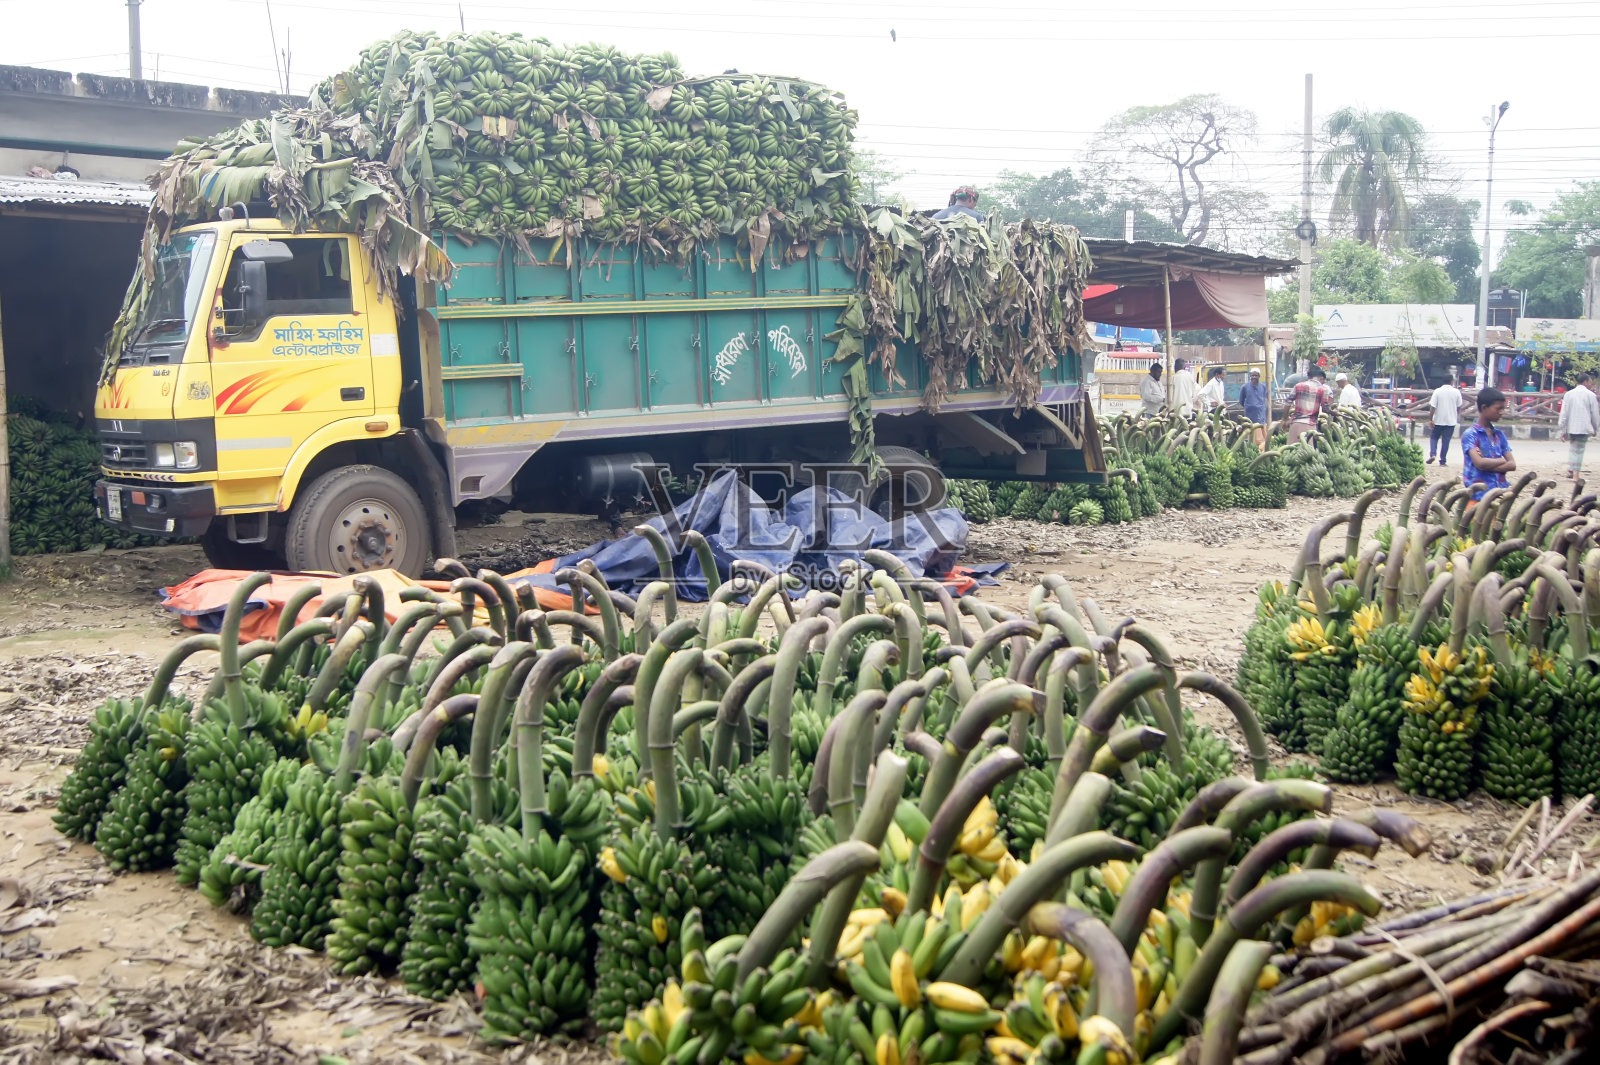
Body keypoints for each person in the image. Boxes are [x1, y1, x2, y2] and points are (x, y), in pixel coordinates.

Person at [1461, 386, 1515, 500]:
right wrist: (1501, 460)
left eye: (1503, 408)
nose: (1502, 412)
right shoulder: (1471, 434)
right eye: (1498, 408)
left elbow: (1512, 465)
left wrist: (1487, 464)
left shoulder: (1499, 435)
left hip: (1498, 494)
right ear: (1484, 407)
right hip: (1477, 496)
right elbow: (1479, 463)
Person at [1557, 370, 1600, 479]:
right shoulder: (1591, 395)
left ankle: (1571, 470)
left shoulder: (1568, 394)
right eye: (1590, 382)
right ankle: (1576, 473)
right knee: (1579, 450)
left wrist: (1562, 429)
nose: (1591, 384)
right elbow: (1595, 414)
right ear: (1585, 382)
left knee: (1573, 447)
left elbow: (1564, 413)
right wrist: (1596, 428)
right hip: (1584, 427)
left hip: (1571, 426)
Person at [1281, 366, 1331, 443]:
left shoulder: (1298, 386)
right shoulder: (1323, 389)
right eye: (1323, 381)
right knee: (1308, 452)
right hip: (1310, 426)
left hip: (1295, 423)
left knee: (1291, 451)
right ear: (1321, 378)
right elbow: (1325, 409)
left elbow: (1288, 402)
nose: (1323, 383)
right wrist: (1334, 412)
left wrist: (1285, 419)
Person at [1427, 376, 1463, 467]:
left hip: (1438, 419)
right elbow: (1459, 406)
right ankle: (1442, 461)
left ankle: (1433, 454)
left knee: (1434, 437)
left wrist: (1430, 419)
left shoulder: (1437, 391)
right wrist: (1456, 415)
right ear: (1452, 381)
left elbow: (1433, 407)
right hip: (1451, 421)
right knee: (1446, 441)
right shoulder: (1456, 392)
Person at [1239, 367, 1270, 446]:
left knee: (1262, 431)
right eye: (1252, 375)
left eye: (1256, 375)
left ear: (1259, 376)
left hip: (1261, 413)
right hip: (1250, 414)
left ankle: (1263, 447)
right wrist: (1249, 406)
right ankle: (1253, 446)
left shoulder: (1263, 387)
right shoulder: (1244, 387)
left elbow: (1266, 397)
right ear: (1250, 376)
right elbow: (1241, 401)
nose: (1254, 377)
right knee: (1252, 431)